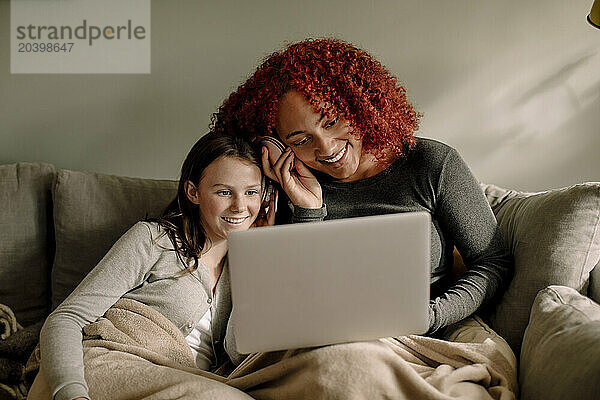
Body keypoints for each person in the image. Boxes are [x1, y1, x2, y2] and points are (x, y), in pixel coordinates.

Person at [212, 38, 513, 340]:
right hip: (321, 340)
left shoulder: (431, 163)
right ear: (276, 145)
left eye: (331, 122)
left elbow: (492, 263)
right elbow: (295, 296)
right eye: (300, 140)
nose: (326, 148)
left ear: (359, 105)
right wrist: (308, 209)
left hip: (414, 337)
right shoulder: (275, 190)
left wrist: (430, 316)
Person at [37, 132, 275, 400]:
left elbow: (236, 351)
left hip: (190, 382)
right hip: (109, 364)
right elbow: (66, 317)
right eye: (224, 192)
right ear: (193, 192)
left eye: (252, 192)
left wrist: (258, 254)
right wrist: (71, 393)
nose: (240, 206)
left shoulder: (245, 265)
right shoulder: (153, 239)